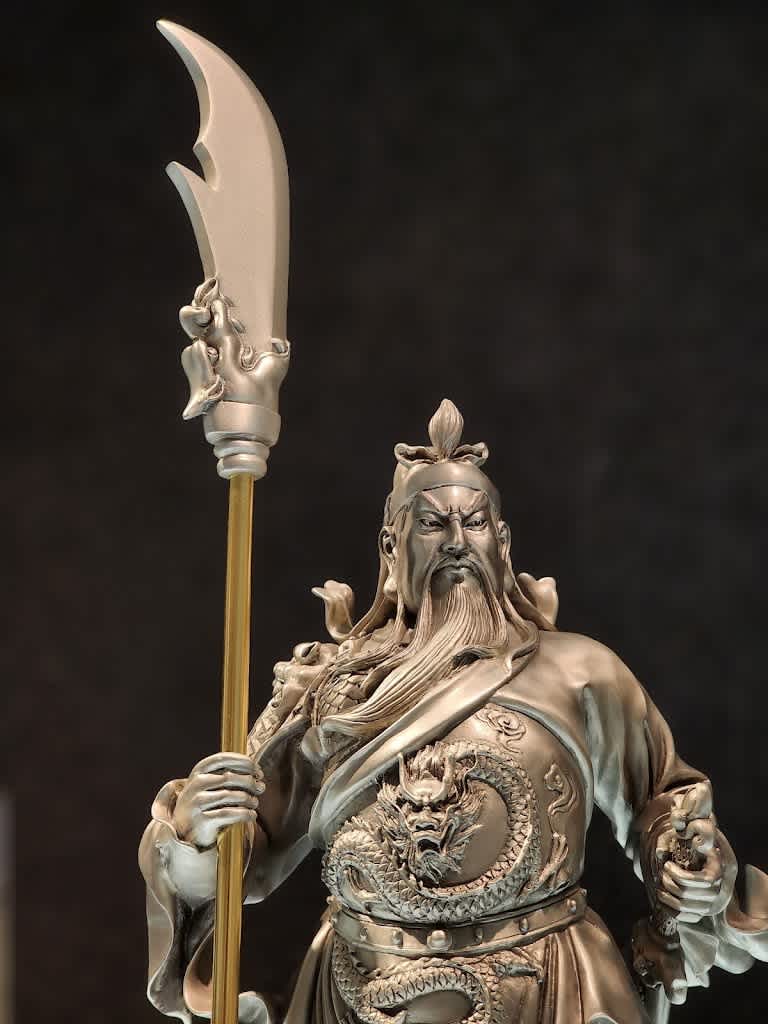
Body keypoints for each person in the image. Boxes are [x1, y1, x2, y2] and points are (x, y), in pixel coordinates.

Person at [140, 399, 768, 1024]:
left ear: (503, 543)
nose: (458, 543)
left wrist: (685, 861)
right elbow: (247, 861)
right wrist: (199, 834)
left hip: (546, 985)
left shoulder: (580, 671)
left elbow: (662, 799)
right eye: (432, 525)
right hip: (359, 990)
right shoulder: (336, 686)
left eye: (476, 524)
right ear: (392, 547)